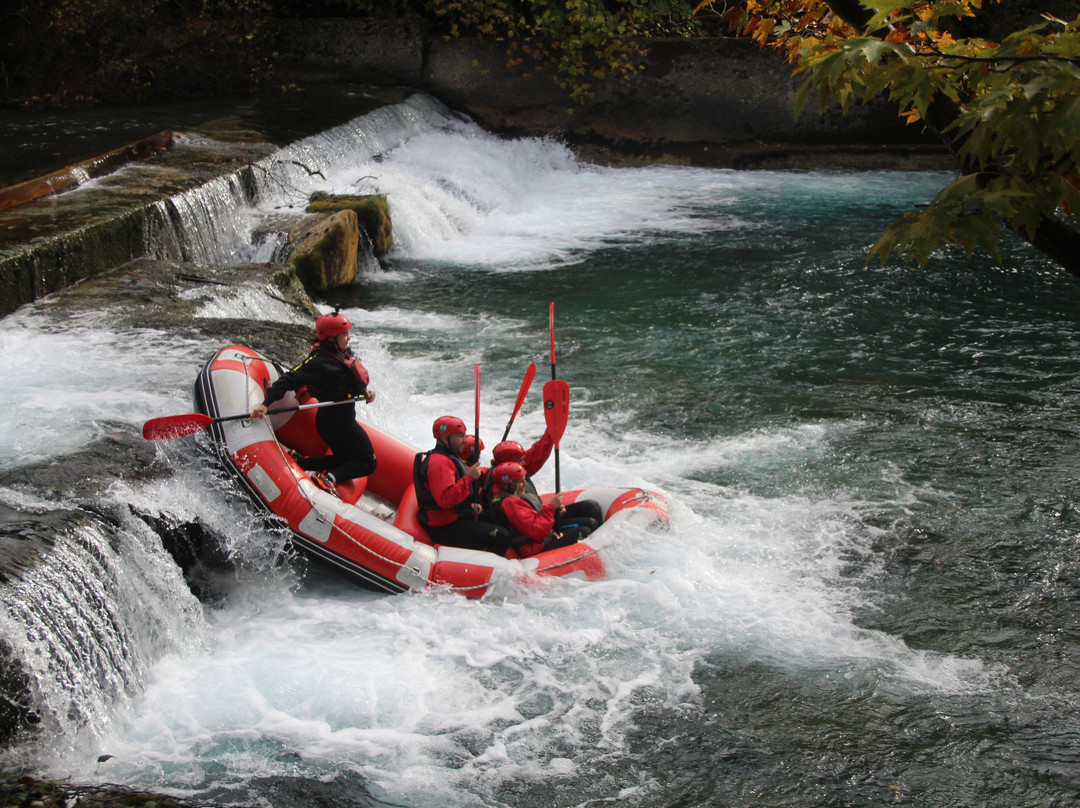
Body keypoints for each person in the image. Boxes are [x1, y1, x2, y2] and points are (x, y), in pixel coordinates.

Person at [250, 309, 377, 495]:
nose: (348, 338)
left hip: (340, 419)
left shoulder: (342, 353)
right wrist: (265, 404)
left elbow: (348, 380)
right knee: (368, 462)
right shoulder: (319, 361)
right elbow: (289, 379)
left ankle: (304, 463)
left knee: (347, 458)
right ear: (332, 337)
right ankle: (327, 478)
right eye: (344, 334)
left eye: (348, 333)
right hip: (335, 423)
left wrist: (365, 392)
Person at [413, 416, 510, 554]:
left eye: (464, 435)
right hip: (443, 527)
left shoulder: (449, 458)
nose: (465, 440)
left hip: (453, 516)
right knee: (501, 536)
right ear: (444, 438)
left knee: (495, 516)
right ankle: (484, 572)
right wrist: (469, 479)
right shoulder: (439, 463)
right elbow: (446, 499)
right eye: (460, 436)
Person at [486, 435, 604, 532]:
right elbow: (532, 527)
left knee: (591, 507)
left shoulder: (513, 474)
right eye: (520, 459)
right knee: (588, 526)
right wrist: (551, 509)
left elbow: (537, 453)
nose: (524, 461)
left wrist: (552, 432)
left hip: (541, 517)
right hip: (538, 530)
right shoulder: (505, 492)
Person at [489, 462, 590, 557]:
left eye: (524, 480)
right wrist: (551, 508)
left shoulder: (513, 499)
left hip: (542, 539)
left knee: (589, 519)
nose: (525, 484)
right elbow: (536, 531)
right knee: (585, 531)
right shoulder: (510, 503)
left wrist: (554, 511)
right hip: (534, 548)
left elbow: (533, 516)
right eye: (520, 481)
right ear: (508, 486)